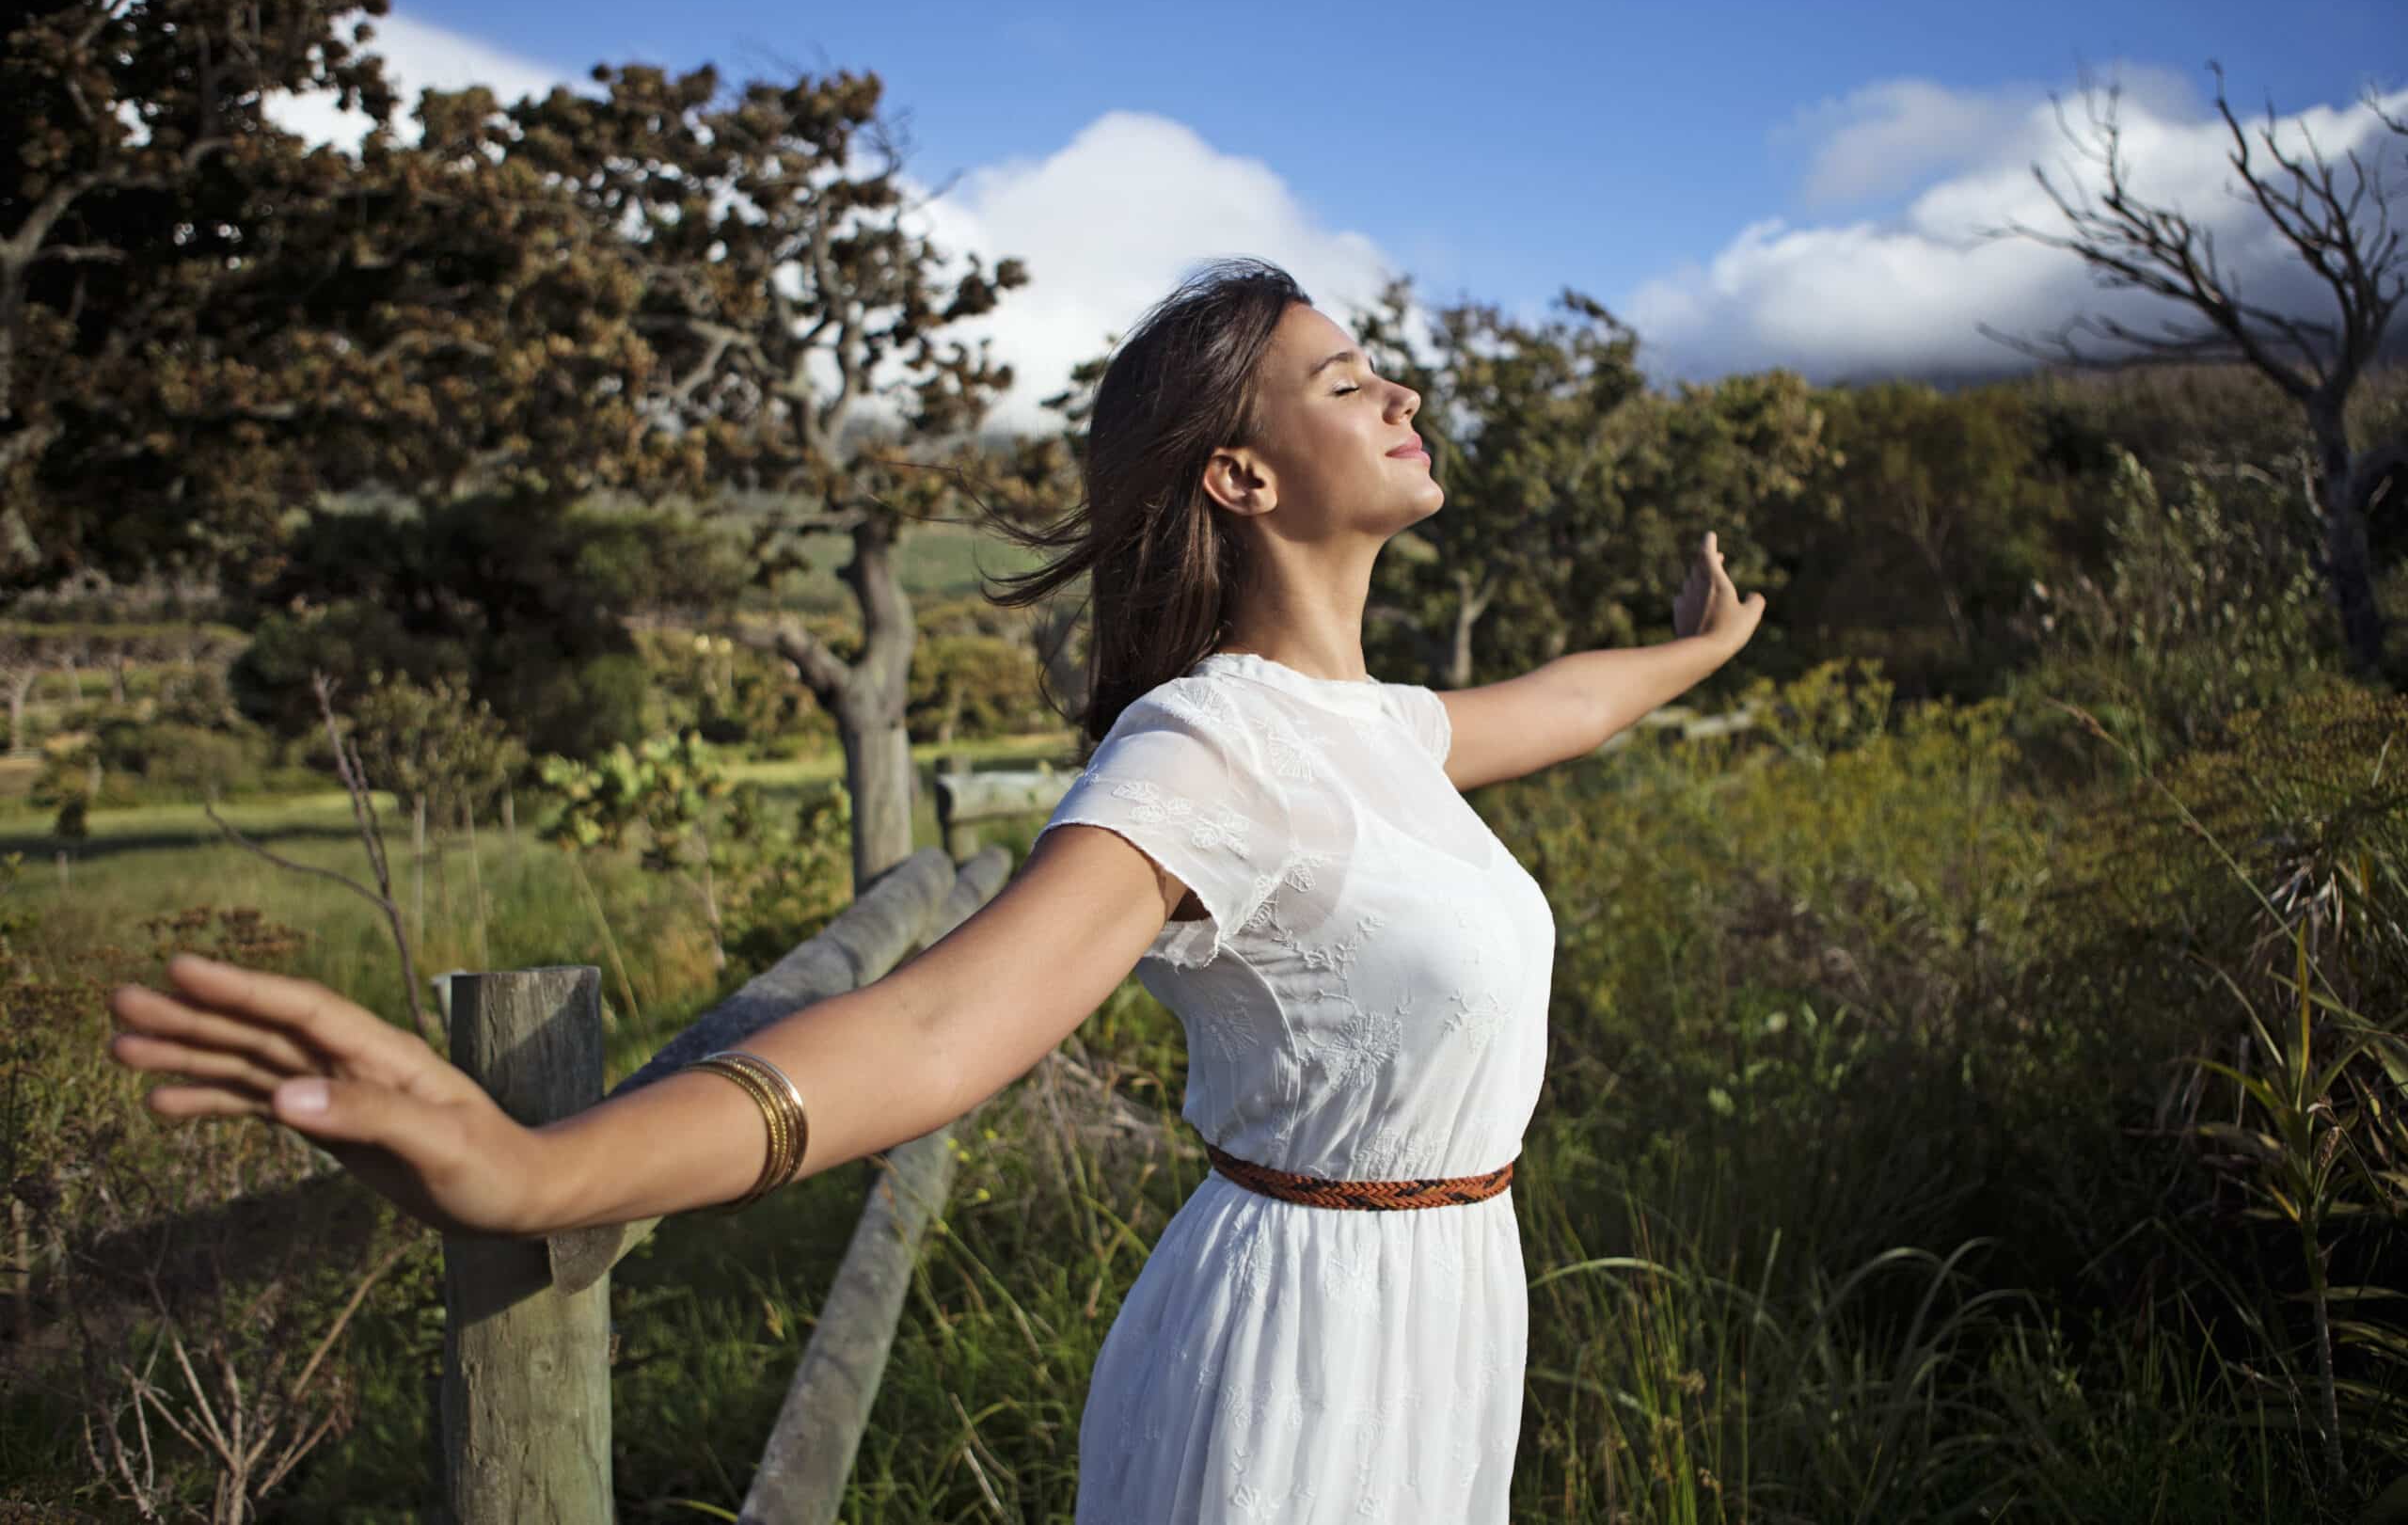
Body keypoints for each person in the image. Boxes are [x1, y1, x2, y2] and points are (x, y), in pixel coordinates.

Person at [103, 256, 1765, 1522]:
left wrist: (1692, 651)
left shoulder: (1380, 729)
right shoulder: (1210, 750)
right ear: (1241, 478)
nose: (1399, 393)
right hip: (1303, 1348)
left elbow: (1563, 699)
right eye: (1345, 383)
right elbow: (940, 1025)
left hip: (1444, 1312)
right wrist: (534, 1174)